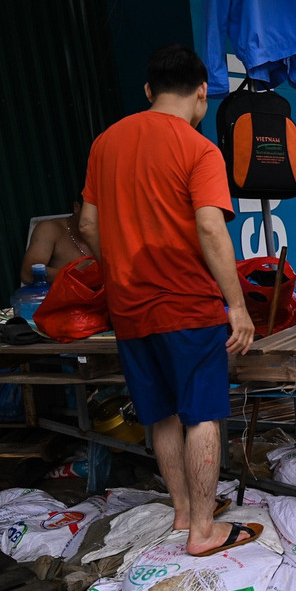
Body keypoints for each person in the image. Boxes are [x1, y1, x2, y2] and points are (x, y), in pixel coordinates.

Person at [78, 44, 261, 558]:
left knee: (159, 412)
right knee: (202, 412)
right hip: (186, 303)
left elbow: (88, 224)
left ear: (147, 90)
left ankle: (182, 509)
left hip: (129, 307)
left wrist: (120, 270)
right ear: (203, 91)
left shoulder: (105, 143)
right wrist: (237, 305)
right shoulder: (198, 148)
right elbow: (210, 226)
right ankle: (203, 531)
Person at [19, 198, 90, 284]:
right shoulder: (50, 230)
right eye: (93, 212)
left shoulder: (108, 230)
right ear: (77, 207)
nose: (98, 217)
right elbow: (28, 274)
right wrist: (77, 274)